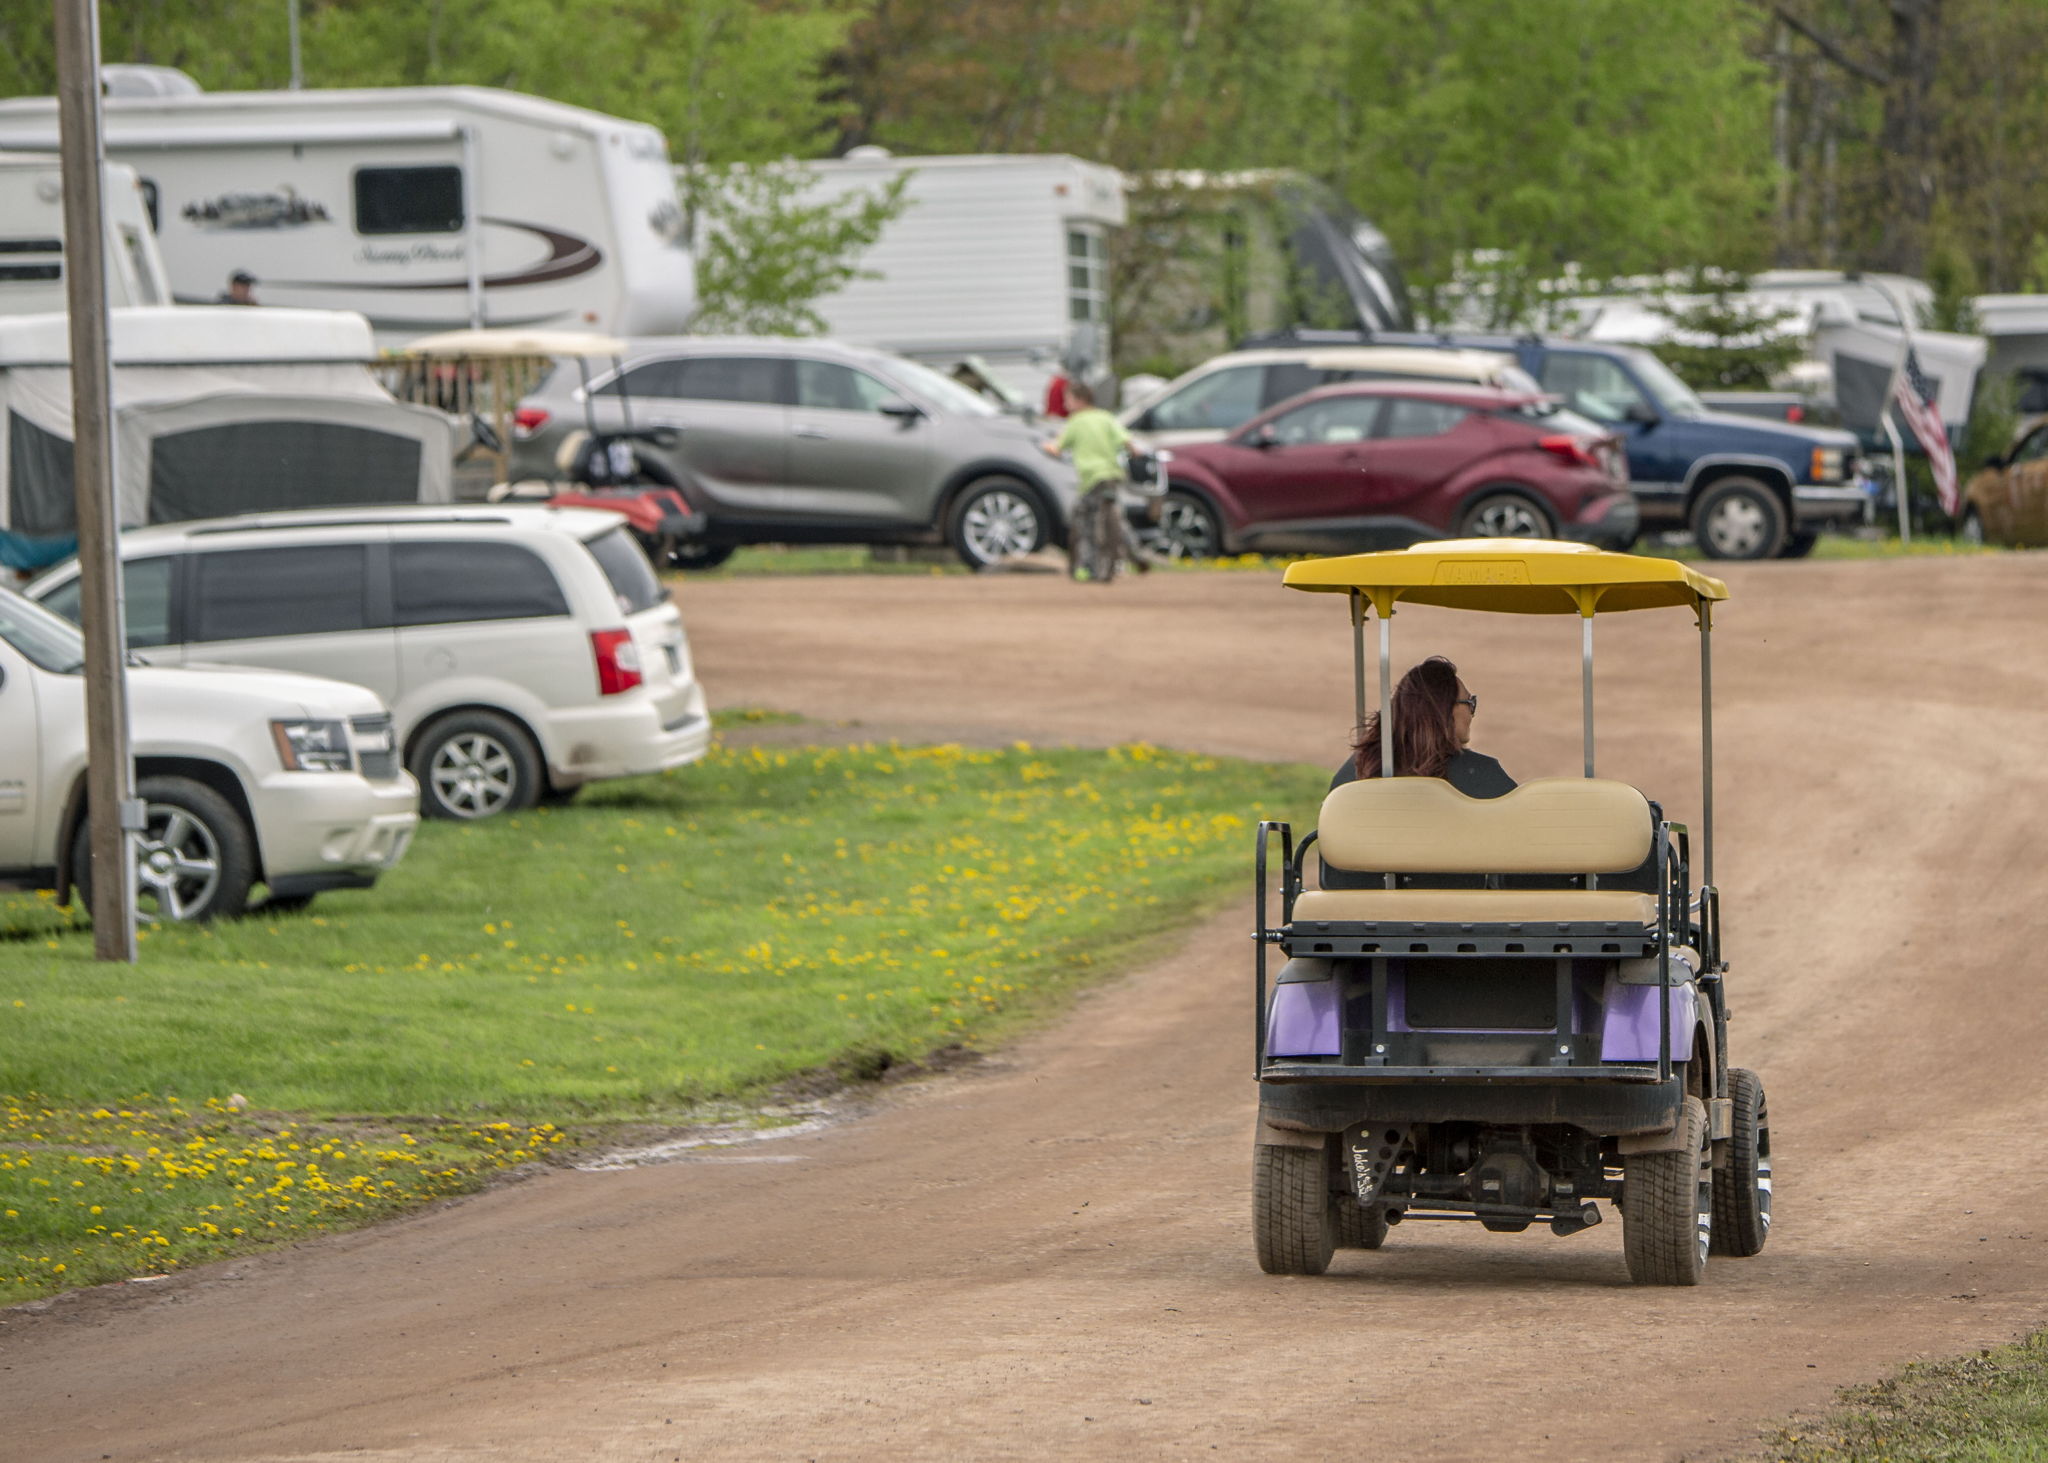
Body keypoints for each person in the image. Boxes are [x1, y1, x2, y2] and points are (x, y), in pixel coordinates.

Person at [1330, 655, 1512, 796]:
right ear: (1445, 709)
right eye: (1469, 703)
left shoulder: (1356, 770)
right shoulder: (1482, 775)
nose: (1472, 713)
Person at [1040, 379, 1146, 582]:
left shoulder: (1076, 422)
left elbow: (1057, 448)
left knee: (1084, 521)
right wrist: (1135, 454)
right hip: (1112, 476)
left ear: (1080, 400)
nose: (1065, 405)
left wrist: (1045, 446)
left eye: (1068, 400)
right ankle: (1134, 554)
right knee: (1115, 518)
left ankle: (1088, 567)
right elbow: (1127, 442)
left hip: (1091, 479)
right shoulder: (1105, 418)